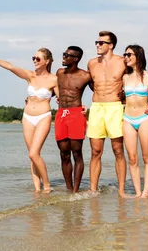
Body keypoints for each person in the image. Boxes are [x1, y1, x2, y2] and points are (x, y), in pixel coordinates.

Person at [0, 48, 58, 193]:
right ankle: (37, 189)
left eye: (38, 58)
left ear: (47, 61)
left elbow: (63, 98)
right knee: (32, 156)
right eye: (33, 57)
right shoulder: (30, 75)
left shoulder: (54, 79)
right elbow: (10, 66)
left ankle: (47, 185)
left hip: (43, 117)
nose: (34, 60)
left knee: (34, 153)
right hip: (27, 117)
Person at [87, 31, 127, 197]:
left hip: (115, 107)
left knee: (118, 150)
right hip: (96, 107)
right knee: (95, 151)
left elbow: (140, 77)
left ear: (111, 45)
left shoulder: (122, 62)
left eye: (101, 42)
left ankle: (122, 191)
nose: (97, 45)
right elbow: (88, 82)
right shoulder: (91, 63)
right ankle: (93, 189)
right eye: (97, 42)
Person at [55, 46, 92, 193]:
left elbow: (99, 91)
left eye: (67, 55)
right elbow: (53, 89)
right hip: (61, 114)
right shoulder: (59, 73)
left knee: (77, 153)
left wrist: (89, 108)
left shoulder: (85, 76)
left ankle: (76, 191)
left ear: (75, 59)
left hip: (76, 114)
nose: (63, 57)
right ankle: (68, 189)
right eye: (64, 54)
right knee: (64, 154)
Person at [122, 44, 148, 198]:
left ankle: (146, 192)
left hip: (144, 118)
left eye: (129, 54)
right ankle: (137, 192)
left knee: (146, 156)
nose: (126, 57)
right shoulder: (125, 77)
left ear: (138, 56)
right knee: (132, 157)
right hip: (127, 118)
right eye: (125, 54)